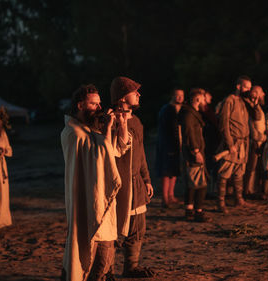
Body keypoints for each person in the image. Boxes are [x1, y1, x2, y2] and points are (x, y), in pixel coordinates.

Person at [60, 84, 127, 281]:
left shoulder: (91, 131)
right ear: (80, 105)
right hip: (87, 202)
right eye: (93, 104)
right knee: (91, 260)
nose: (99, 108)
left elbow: (116, 150)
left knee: (104, 259)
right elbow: (101, 157)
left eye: (99, 104)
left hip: (102, 202)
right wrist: (107, 128)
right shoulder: (73, 133)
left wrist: (121, 124)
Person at [110, 76, 155, 278]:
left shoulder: (136, 122)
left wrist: (146, 179)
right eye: (134, 91)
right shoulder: (108, 121)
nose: (138, 94)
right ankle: (106, 270)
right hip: (117, 185)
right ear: (121, 96)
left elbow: (141, 152)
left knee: (137, 227)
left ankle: (131, 266)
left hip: (137, 183)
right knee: (112, 230)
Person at [215, 75, 261, 213]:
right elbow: (223, 124)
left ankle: (239, 199)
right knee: (224, 172)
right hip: (233, 142)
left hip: (244, 143)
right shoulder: (229, 100)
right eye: (246, 87)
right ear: (238, 86)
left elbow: (257, 117)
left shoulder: (245, 101)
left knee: (239, 172)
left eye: (249, 87)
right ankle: (220, 203)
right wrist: (229, 144)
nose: (248, 90)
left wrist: (255, 103)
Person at [179, 88, 210, 222]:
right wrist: (196, 151)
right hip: (193, 153)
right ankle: (198, 211)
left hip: (193, 152)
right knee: (199, 183)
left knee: (193, 183)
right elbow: (189, 133)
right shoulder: (189, 115)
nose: (205, 101)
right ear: (198, 99)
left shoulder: (190, 113)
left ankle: (190, 210)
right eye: (203, 99)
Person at [155, 88, 184, 208]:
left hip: (175, 143)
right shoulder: (168, 109)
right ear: (172, 96)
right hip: (167, 144)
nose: (180, 98)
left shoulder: (178, 109)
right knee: (166, 172)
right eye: (177, 95)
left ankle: (171, 195)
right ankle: (165, 198)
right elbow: (170, 129)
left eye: (182, 95)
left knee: (174, 170)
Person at [243, 85, 267, 199]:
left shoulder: (255, 106)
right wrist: (262, 138)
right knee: (251, 167)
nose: (264, 94)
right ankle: (246, 191)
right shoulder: (251, 107)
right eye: (262, 92)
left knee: (256, 168)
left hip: (258, 140)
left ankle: (251, 190)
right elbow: (254, 123)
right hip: (255, 141)